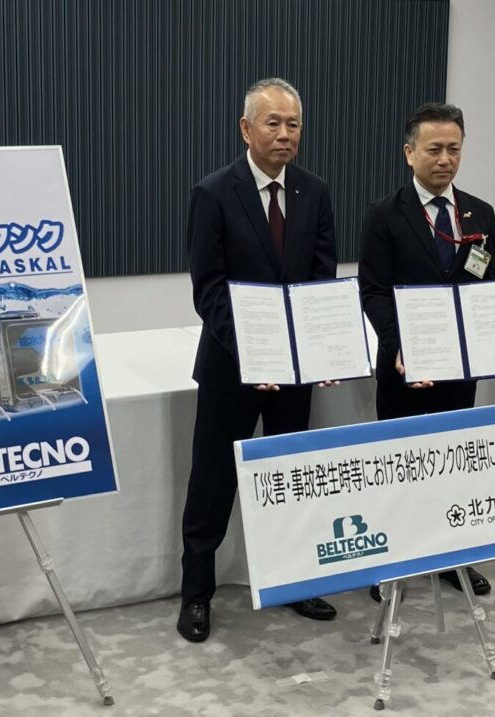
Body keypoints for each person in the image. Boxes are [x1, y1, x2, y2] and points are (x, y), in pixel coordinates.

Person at [178, 78, 339, 642]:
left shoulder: (315, 192)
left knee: (289, 477)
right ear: (247, 129)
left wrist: (318, 347)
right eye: (273, 123)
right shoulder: (213, 193)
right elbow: (209, 289)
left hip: (294, 371)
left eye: (294, 124)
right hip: (231, 367)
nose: (285, 134)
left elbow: (321, 280)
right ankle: (196, 595)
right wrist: (255, 354)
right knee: (213, 482)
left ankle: (294, 582)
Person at [358, 102, 495, 597]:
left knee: (452, 462)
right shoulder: (384, 215)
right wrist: (399, 345)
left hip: (459, 369)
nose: (445, 159)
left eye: (454, 149)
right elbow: (373, 291)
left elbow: (489, 287)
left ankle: (451, 557)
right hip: (404, 368)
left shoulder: (480, 213)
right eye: (434, 149)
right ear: (409, 152)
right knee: (399, 465)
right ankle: (389, 564)